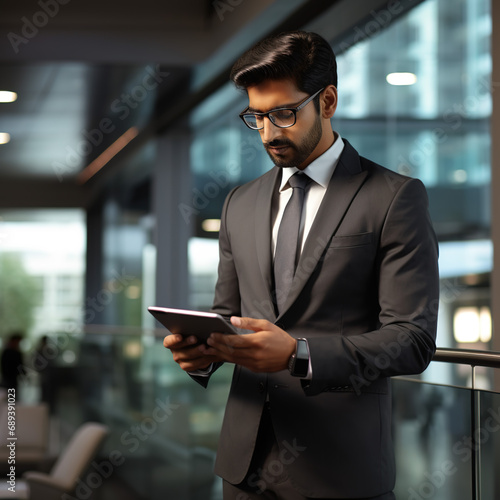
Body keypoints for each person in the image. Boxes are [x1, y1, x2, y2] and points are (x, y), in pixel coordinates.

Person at [164, 30, 439, 500]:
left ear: (327, 101)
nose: (269, 133)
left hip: (340, 469)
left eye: (284, 114)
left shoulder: (394, 197)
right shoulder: (239, 203)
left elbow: (412, 341)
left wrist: (299, 354)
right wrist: (204, 353)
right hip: (244, 466)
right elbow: (229, 315)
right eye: (256, 117)